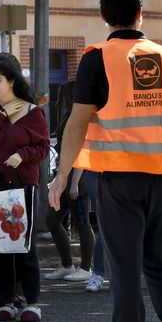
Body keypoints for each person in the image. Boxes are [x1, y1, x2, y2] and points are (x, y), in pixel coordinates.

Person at [48, 0, 162, 322]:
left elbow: (77, 124)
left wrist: (61, 177)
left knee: (124, 265)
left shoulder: (97, 59)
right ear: (141, 14)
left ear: (103, 16)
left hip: (120, 179)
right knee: (160, 262)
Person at [0, 54, 49, 322]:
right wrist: (2, 115)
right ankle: (6, 302)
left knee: (24, 247)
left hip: (22, 184)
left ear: (12, 81)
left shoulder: (33, 112)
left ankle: (33, 303)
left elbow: (43, 148)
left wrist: (24, 154)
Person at [45, 81, 95, 282]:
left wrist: (74, 182)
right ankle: (67, 265)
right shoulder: (69, 116)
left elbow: (83, 148)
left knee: (81, 222)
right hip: (66, 176)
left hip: (77, 177)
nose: (61, 101)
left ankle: (85, 267)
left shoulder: (81, 117)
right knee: (52, 220)